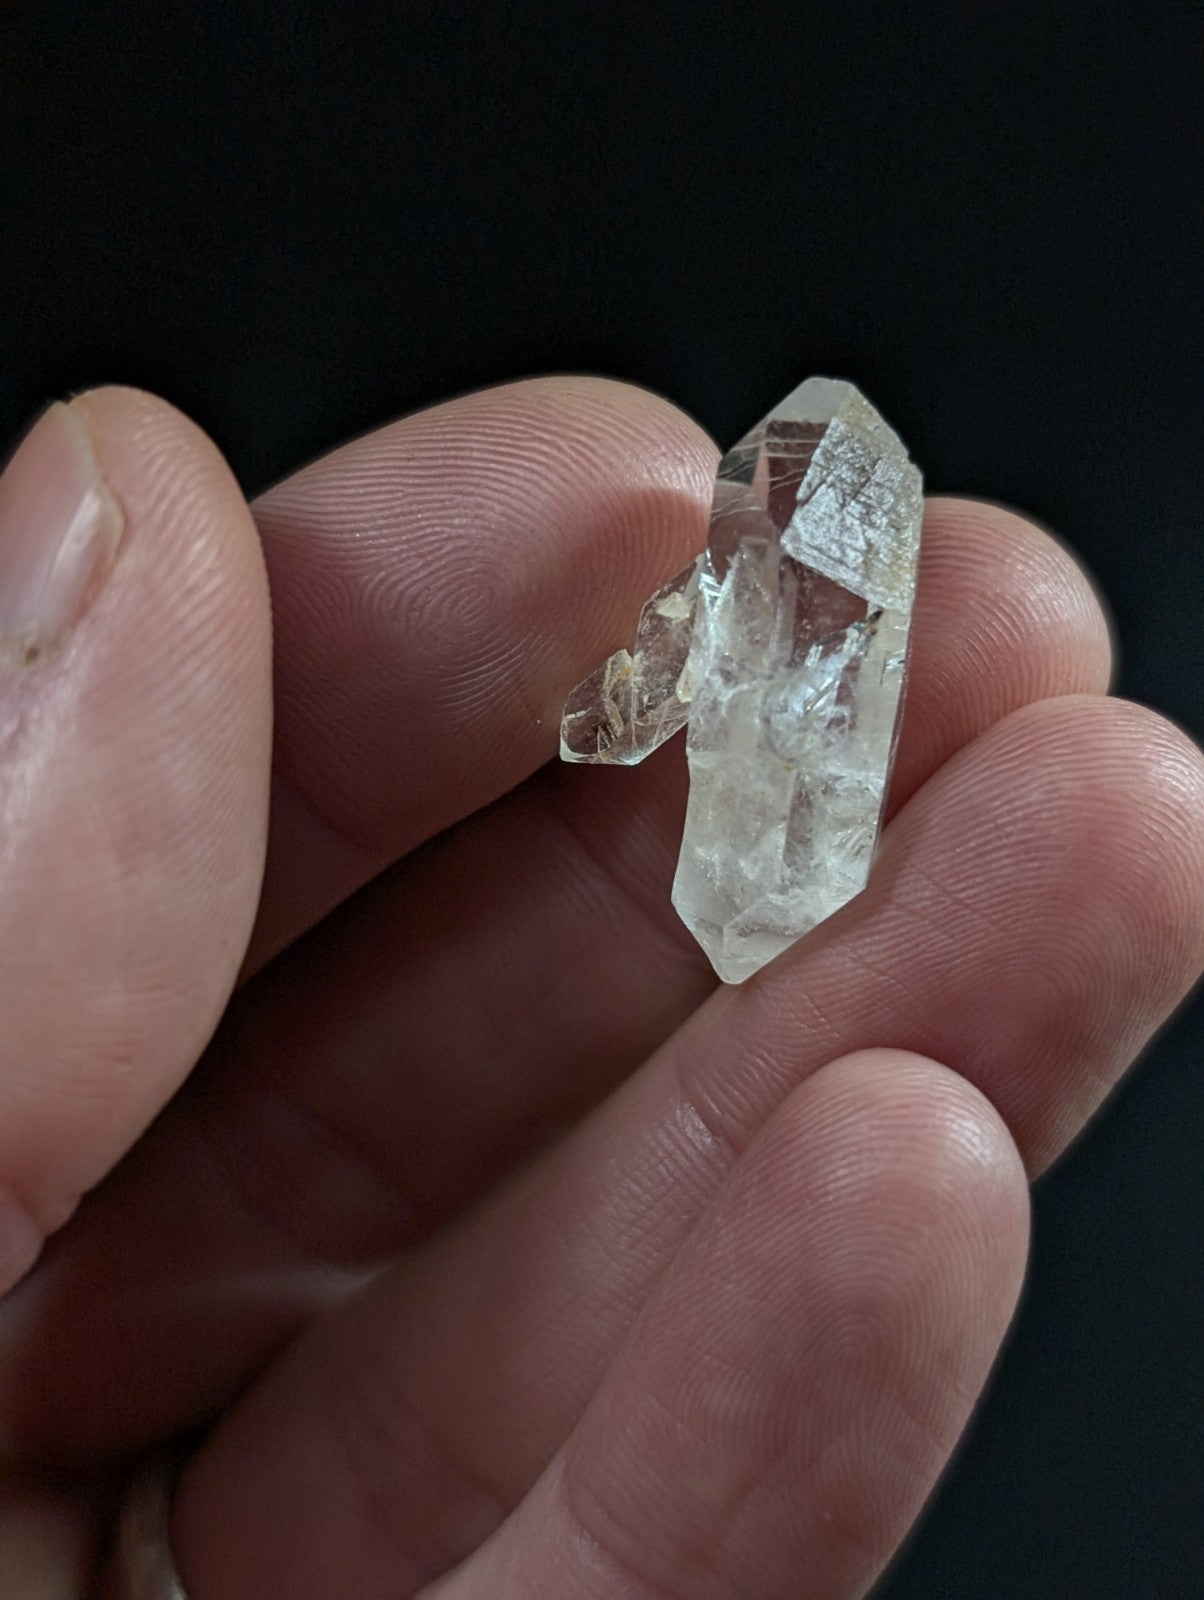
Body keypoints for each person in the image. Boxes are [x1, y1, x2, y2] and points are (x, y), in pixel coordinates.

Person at [0, 377, 1200, 1598]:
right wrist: (617, 706)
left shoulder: (814, 507)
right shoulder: (797, 508)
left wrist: (618, 712)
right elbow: (654, 678)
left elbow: (656, 688)